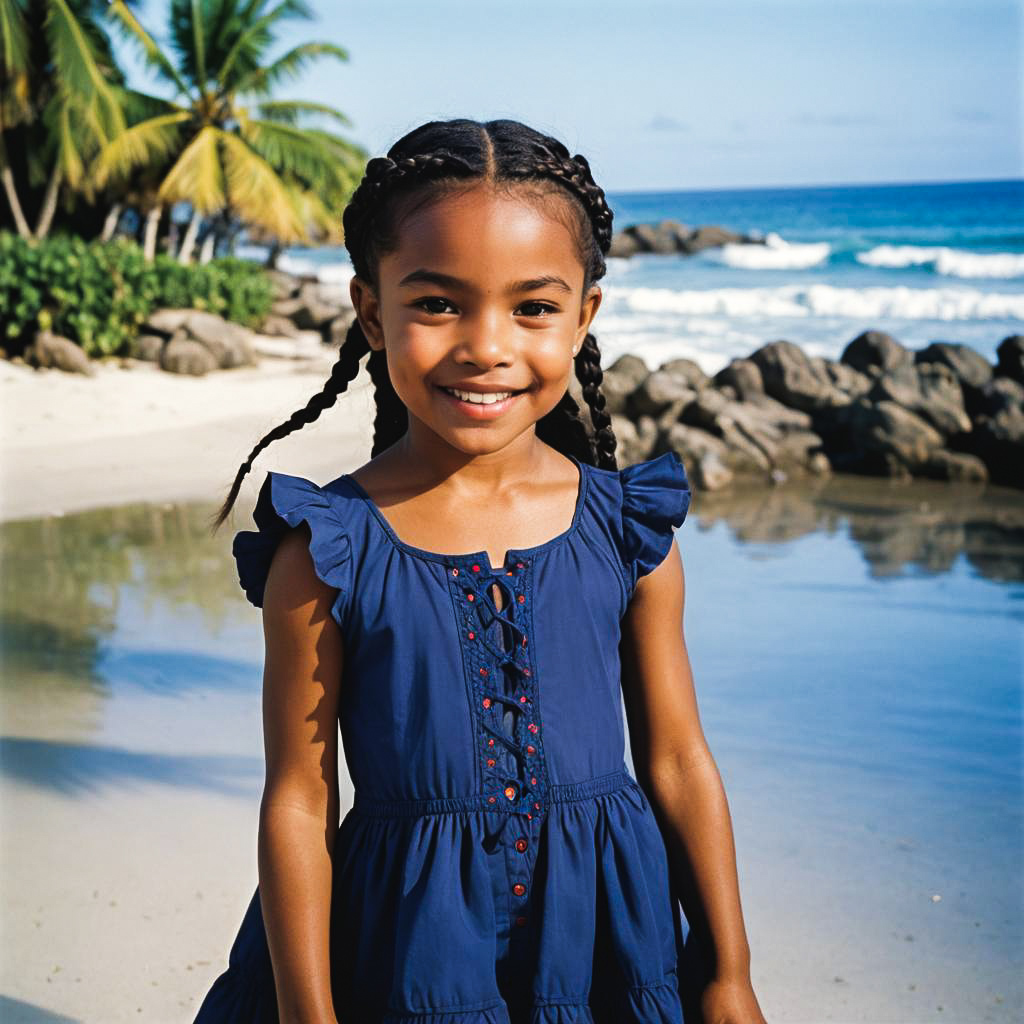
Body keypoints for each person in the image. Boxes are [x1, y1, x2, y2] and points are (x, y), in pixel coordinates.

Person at [195, 118, 767, 1024]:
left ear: (584, 317)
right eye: (438, 304)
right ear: (373, 312)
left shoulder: (628, 530)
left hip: (605, 941)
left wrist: (728, 972)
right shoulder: (328, 547)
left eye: (532, 307)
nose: (485, 346)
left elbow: (678, 761)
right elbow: (298, 804)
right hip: (403, 949)